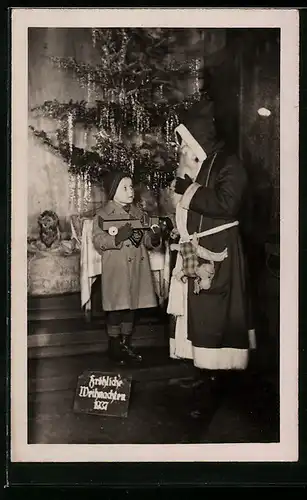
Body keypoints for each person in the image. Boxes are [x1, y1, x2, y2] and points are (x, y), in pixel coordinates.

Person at [167, 96, 255, 408]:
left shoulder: (230, 163)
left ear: (198, 138)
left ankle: (219, 382)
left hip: (220, 252)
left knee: (216, 316)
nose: (181, 150)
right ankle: (203, 372)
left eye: (185, 143)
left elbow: (227, 204)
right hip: (199, 248)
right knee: (200, 315)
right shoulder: (204, 164)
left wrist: (188, 189)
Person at [92, 170, 161, 365]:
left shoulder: (139, 213)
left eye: (131, 187)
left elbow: (147, 239)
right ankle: (114, 344)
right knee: (116, 307)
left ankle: (126, 342)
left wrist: (153, 238)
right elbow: (98, 241)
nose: (130, 191)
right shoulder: (103, 214)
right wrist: (116, 238)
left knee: (132, 305)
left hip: (137, 268)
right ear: (113, 191)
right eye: (125, 187)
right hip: (117, 268)